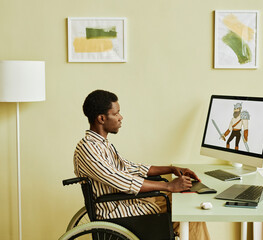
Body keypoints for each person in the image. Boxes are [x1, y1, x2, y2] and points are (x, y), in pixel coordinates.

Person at [73, 89, 210, 239]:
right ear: (101, 118)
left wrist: (172, 169)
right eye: (116, 113)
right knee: (189, 214)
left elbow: (132, 168)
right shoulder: (88, 148)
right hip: (119, 211)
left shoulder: (102, 145)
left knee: (184, 201)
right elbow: (122, 181)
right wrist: (168, 186)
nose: (121, 117)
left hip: (128, 202)